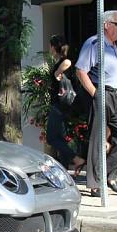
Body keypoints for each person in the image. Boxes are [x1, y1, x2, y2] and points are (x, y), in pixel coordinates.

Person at [75, 10, 117, 197]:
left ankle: (109, 174)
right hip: (103, 93)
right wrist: (95, 94)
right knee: (98, 139)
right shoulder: (95, 43)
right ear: (106, 24)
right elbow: (81, 71)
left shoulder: (114, 46)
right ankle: (95, 183)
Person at [46, 35, 86, 174]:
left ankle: (76, 159)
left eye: (50, 46)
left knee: (51, 138)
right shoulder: (60, 61)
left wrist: (57, 72)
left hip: (60, 105)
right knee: (60, 138)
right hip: (59, 104)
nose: (49, 48)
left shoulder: (66, 61)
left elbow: (59, 74)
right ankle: (63, 169)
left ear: (54, 47)